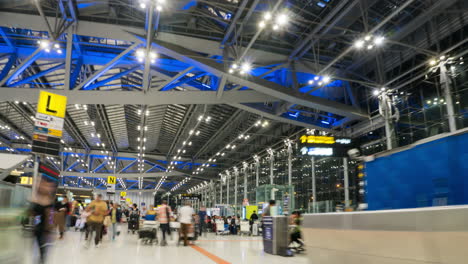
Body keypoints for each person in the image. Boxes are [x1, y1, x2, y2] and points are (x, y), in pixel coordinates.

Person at [29, 175, 58, 263]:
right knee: (37, 250)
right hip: (37, 228)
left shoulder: (49, 201)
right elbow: (32, 213)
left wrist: (50, 229)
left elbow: (50, 217)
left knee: (42, 251)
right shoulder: (36, 198)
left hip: (44, 230)